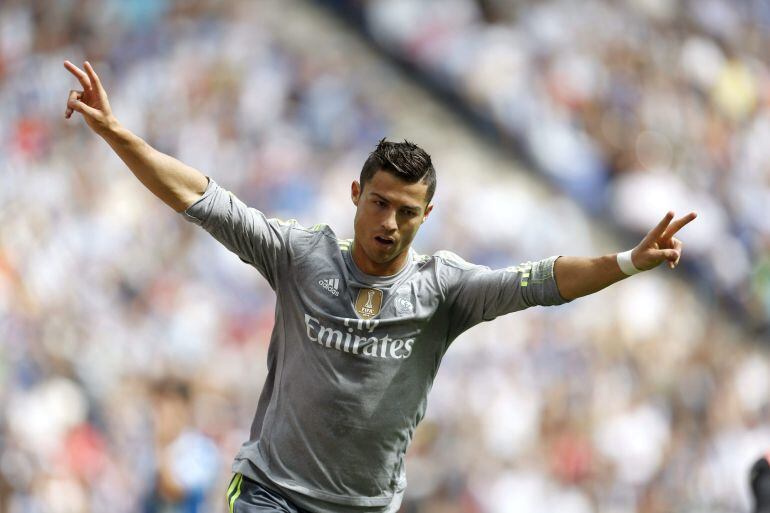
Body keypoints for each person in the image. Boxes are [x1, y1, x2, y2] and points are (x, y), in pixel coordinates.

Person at [64, 60, 697, 513]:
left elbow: (539, 282)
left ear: (426, 217)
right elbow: (202, 198)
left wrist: (628, 260)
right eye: (378, 202)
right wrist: (117, 133)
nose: (388, 222)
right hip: (272, 495)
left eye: (406, 211)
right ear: (355, 196)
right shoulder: (299, 255)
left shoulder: (445, 289)